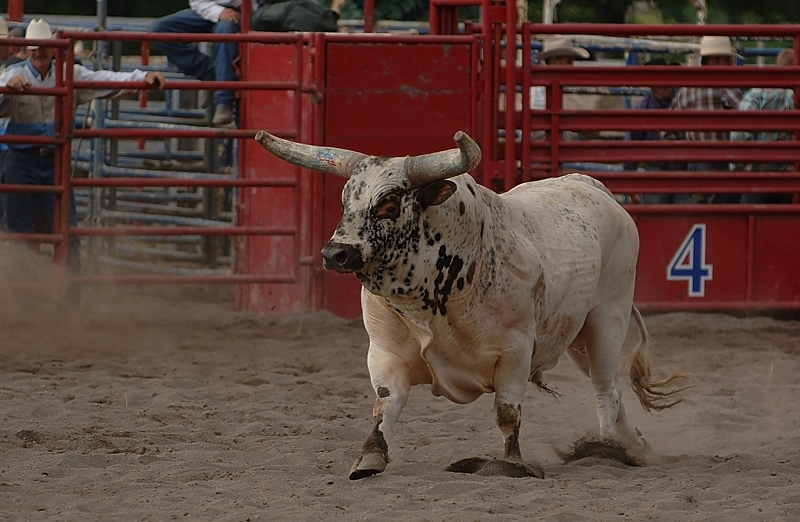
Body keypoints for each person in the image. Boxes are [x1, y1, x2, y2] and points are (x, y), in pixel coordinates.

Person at [0, 18, 166, 303]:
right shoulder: (12, 76)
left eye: (45, 48)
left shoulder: (69, 73)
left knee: (66, 234)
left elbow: (106, 78)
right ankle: (22, 301)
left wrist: (142, 77)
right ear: (27, 50)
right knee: (20, 235)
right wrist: (6, 90)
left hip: (54, 162)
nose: (40, 53)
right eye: (35, 48)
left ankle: (68, 301)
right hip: (22, 160)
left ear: (53, 50)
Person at [149, 0, 258, 126]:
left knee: (226, 29)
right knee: (159, 31)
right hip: (211, 8)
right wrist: (219, 12)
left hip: (244, 12)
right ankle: (211, 73)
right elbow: (198, 1)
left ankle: (224, 101)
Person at [667, 36, 744, 204]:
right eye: (728, 60)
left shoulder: (687, 90)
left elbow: (669, 126)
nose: (731, 65)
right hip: (724, 159)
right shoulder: (728, 87)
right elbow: (745, 113)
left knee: (699, 206)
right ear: (714, 61)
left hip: (695, 161)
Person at [731, 48, 795, 204]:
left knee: (749, 222)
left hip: (758, 174)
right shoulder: (794, 100)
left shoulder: (756, 94)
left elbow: (739, 137)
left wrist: (747, 167)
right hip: (790, 177)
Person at [623, 58, 683, 204]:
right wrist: (629, 182)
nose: (660, 86)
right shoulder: (642, 109)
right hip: (657, 167)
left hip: (684, 166)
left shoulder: (684, 98)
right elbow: (630, 146)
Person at [530, 35, 596, 141]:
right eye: (569, 61)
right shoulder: (539, 93)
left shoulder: (547, 89)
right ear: (554, 61)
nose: (573, 66)